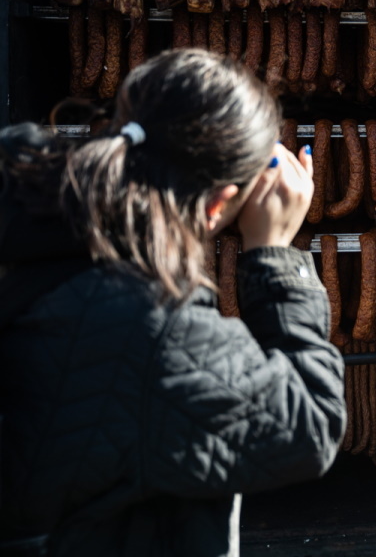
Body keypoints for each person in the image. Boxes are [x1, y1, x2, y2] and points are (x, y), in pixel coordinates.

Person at [0, 49, 346, 556]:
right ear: (216, 206)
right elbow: (310, 426)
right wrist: (273, 254)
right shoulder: (159, 332)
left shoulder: (24, 211)